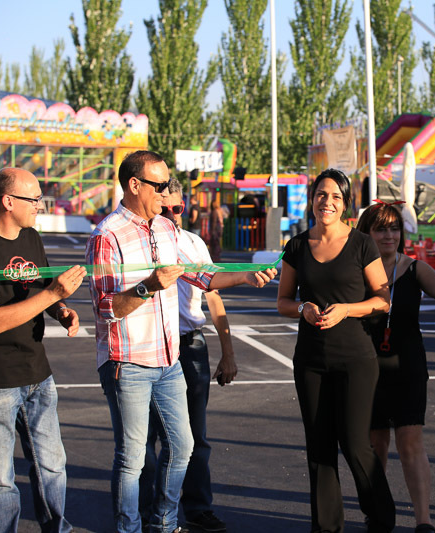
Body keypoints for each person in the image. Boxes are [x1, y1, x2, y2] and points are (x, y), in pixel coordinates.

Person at [85, 150, 277, 533]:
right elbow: (106, 308)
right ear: (134, 185)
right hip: (128, 362)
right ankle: (129, 527)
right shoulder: (107, 236)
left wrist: (245, 277)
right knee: (133, 457)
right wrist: (147, 286)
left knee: (183, 446)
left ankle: (164, 522)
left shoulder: (166, 230)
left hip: (169, 361)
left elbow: (201, 277)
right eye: (158, 185)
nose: (165, 192)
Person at [0, 167, 86, 532]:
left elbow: (41, 289)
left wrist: (61, 310)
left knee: (52, 465)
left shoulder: (31, 238)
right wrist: (54, 294)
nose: (40, 205)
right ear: (8, 201)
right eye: (34, 199)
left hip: (36, 370)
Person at [276, 168, 396, 533]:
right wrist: (302, 308)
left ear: (346, 204)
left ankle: (381, 518)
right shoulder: (297, 246)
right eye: (321, 194)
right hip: (310, 360)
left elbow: (383, 300)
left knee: (356, 443)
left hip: (356, 359)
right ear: (312, 199)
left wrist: (347, 309)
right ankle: (326, 527)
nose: (327, 202)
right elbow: (283, 301)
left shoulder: (362, 244)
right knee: (319, 447)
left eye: (336, 197)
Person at [356, 202, 435, 533]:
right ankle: (378, 514)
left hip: (408, 366)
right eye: (381, 229)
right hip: (367, 367)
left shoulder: (414, 268)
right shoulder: (356, 270)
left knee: (410, 442)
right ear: (366, 233)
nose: (389, 235)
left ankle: (424, 520)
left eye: (394, 228)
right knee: (375, 444)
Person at [139, 180, 235, 532]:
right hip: (150, 345)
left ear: (185, 208)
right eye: (163, 208)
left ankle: (197, 508)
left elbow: (213, 295)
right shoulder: (141, 243)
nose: (170, 214)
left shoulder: (193, 243)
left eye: (176, 208)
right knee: (147, 437)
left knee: (195, 435)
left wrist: (228, 353)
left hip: (190, 344)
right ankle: (148, 512)